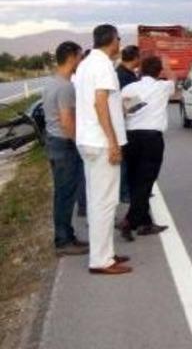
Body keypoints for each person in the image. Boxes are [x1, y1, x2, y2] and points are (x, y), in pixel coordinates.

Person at [75, 24, 131, 275]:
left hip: (88, 140)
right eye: (119, 38)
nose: (120, 43)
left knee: (98, 199)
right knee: (105, 202)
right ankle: (100, 260)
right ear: (112, 40)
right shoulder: (104, 65)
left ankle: (104, 253)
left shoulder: (86, 63)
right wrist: (112, 142)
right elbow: (100, 104)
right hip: (100, 141)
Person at [118, 57, 174, 241]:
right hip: (151, 138)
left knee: (135, 180)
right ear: (159, 71)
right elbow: (173, 79)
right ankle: (130, 220)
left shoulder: (129, 88)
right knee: (146, 180)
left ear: (140, 70)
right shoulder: (163, 87)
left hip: (131, 137)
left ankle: (144, 223)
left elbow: (125, 110)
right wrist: (167, 68)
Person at [43, 41, 88, 256]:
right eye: (80, 56)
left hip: (54, 142)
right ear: (71, 57)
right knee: (65, 194)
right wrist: (79, 143)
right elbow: (67, 121)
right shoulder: (65, 86)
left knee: (62, 193)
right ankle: (63, 241)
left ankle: (67, 236)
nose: (81, 61)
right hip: (64, 144)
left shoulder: (52, 82)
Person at [116, 45, 139, 204]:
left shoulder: (127, 73)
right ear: (135, 58)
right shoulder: (123, 76)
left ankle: (131, 190)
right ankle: (124, 192)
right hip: (124, 123)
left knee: (131, 160)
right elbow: (126, 101)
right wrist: (140, 104)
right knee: (125, 161)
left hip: (128, 122)